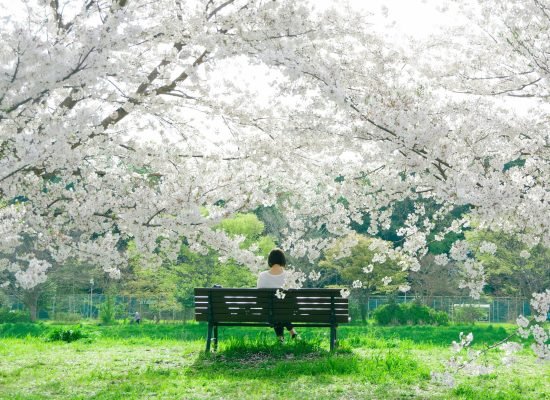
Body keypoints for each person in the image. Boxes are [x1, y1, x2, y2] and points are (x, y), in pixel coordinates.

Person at [257, 248, 298, 342]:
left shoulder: (262, 275)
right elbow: (293, 296)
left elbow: (260, 297)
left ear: (270, 260)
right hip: (287, 310)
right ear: (282, 260)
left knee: (275, 309)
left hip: (268, 310)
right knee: (281, 309)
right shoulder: (289, 275)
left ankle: (281, 339)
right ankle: (292, 332)